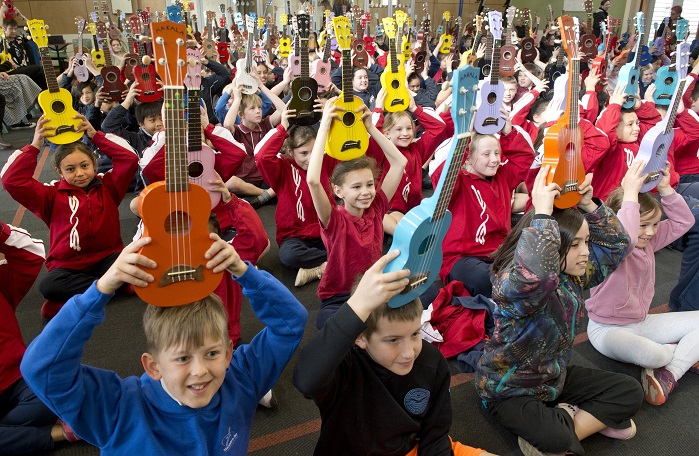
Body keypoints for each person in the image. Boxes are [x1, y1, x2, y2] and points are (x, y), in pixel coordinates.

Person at [20, 234, 308, 455]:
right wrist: (100, 291)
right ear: (153, 366)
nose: (200, 371)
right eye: (182, 358)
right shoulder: (120, 410)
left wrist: (244, 272)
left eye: (211, 353)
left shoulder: (240, 380)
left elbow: (291, 323)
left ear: (229, 352)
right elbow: (42, 367)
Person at [476, 166, 643, 456]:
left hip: (554, 378)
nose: (587, 251)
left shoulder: (574, 274)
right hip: (509, 390)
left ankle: (566, 423)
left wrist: (589, 204)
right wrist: (541, 214)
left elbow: (618, 245)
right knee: (556, 440)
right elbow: (536, 276)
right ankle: (566, 428)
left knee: (630, 390)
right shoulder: (515, 282)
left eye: (587, 242)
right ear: (552, 246)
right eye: (576, 244)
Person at [293, 250, 495, 456]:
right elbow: (306, 381)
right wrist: (357, 306)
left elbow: (434, 437)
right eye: (393, 340)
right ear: (360, 337)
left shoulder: (432, 363)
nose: (409, 353)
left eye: (415, 333)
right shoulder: (342, 367)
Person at [0, 115, 139, 320]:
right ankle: (114, 285)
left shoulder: (109, 186)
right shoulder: (50, 195)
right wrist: (35, 144)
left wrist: (94, 135)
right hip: (68, 266)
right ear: (59, 172)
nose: (80, 174)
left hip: (108, 257)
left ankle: (84, 295)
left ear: (94, 163)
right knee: (49, 287)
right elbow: (11, 181)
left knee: (141, 264)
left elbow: (129, 159)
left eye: (85, 166)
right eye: (70, 170)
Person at [586, 160, 699, 406]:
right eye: (642, 225)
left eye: (654, 224)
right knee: (655, 355)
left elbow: (684, 222)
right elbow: (625, 239)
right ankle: (682, 355)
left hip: (641, 322)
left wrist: (667, 189)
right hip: (607, 330)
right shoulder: (612, 248)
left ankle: (671, 372)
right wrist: (630, 194)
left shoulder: (649, 241)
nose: (649, 232)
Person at [307, 98, 407, 329]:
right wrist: (323, 127)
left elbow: (399, 162)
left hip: (372, 288)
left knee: (424, 291)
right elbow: (313, 180)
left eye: (370, 185)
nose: (366, 192)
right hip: (340, 296)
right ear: (338, 190)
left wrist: (371, 127)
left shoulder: (378, 206)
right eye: (356, 187)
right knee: (329, 326)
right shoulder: (334, 220)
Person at [432, 112, 534, 299]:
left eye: (496, 153)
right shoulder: (460, 181)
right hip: (463, 259)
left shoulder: (502, 176)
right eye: (486, 154)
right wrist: (464, 141)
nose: (494, 159)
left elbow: (524, 157)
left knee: (533, 271)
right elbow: (442, 179)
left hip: (499, 254)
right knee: (485, 280)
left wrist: (508, 133)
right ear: (468, 159)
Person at [0, 222, 80, 453]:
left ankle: (12, 436)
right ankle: (54, 434)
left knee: (63, 384)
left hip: (19, 379)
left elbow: (32, 252)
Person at [255, 104, 336, 287]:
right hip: (295, 236)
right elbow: (261, 157)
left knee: (351, 237)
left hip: (325, 231)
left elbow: (347, 148)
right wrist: (282, 128)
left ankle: (319, 267)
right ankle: (333, 261)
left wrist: (327, 120)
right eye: (304, 153)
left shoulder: (325, 161)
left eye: (314, 151)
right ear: (290, 152)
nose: (310, 158)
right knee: (288, 255)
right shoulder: (282, 168)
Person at [371, 88, 446, 234]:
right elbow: (373, 135)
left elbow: (439, 127)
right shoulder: (382, 151)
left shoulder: (417, 149)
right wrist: (379, 109)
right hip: (389, 210)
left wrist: (414, 108)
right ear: (386, 134)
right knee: (398, 226)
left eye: (408, 129)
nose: (405, 133)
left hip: (414, 209)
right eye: (398, 129)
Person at [1, 18, 46, 93]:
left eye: (15, 29)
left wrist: (21, 16)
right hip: (11, 70)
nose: (14, 31)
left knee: (40, 71)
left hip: (25, 68)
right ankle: (42, 93)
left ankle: (41, 95)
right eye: (11, 29)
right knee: (38, 69)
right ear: (4, 29)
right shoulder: (2, 43)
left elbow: (33, 29)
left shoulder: (19, 39)